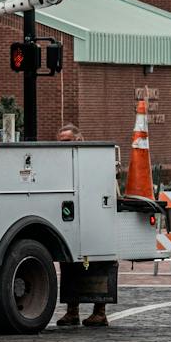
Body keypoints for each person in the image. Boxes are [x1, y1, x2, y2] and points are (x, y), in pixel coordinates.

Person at [53, 122, 108, 328]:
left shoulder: (91, 158)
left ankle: (100, 312)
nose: (62, 145)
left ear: (78, 139)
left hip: (93, 221)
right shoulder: (61, 162)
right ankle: (72, 312)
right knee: (69, 267)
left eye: (66, 141)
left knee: (95, 265)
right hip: (71, 223)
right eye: (60, 142)